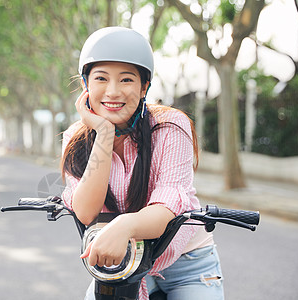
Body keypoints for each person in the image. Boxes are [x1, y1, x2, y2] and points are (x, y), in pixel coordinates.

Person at [60, 27, 223, 300]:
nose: (113, 92)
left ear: (144, 86)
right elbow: (86, 213)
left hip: (187, 264)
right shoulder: (75, 139)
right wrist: (103, 133)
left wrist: (124, 226)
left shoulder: (170, 127)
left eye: (126, 80)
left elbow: (166, 207)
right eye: (101, 78)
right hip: (120, 266)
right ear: (86, 84)